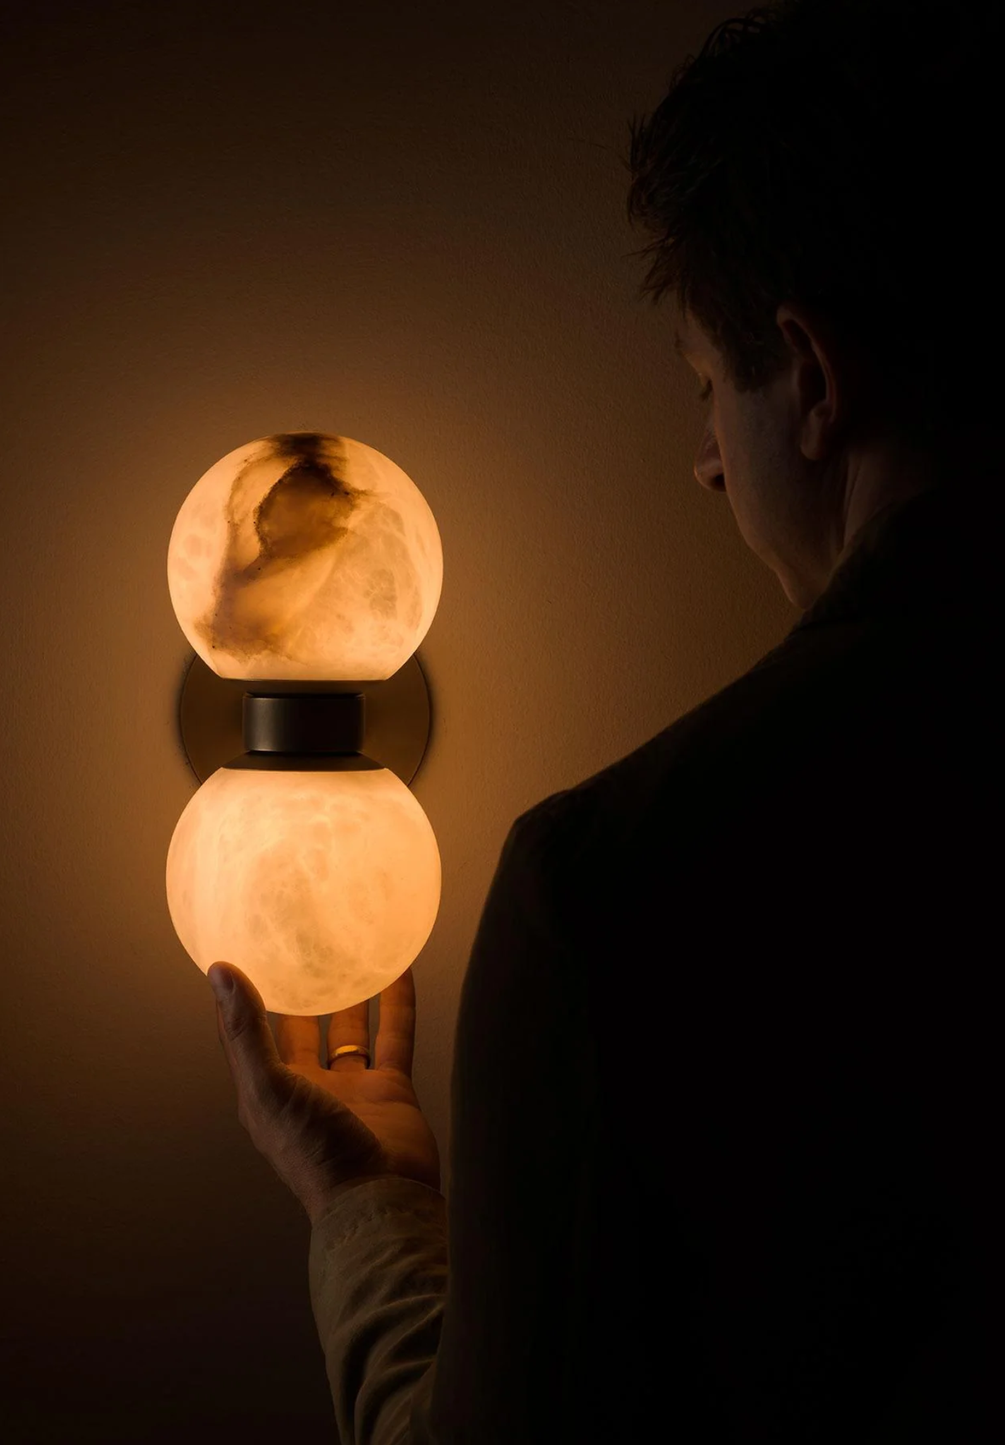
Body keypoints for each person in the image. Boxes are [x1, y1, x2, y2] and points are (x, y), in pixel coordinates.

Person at [205, 1, 1001, 1439]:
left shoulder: (620, 891)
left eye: (708, 385)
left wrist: (367, 1206)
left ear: (812, 380)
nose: (705, 461)